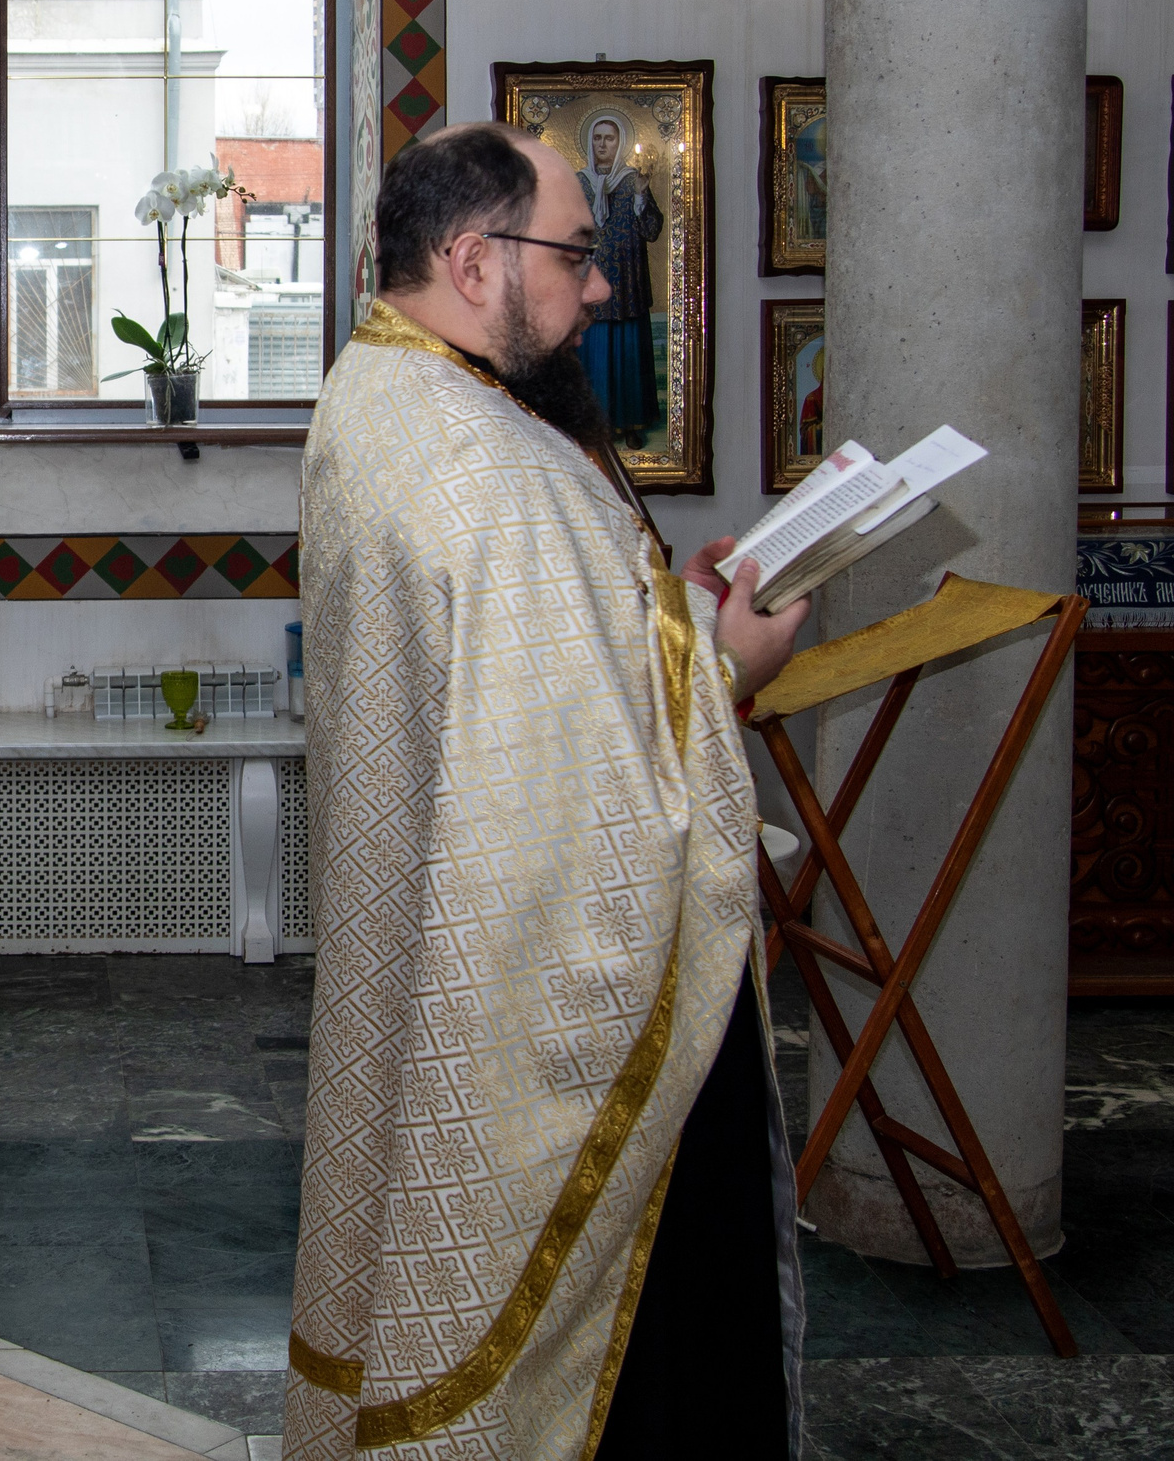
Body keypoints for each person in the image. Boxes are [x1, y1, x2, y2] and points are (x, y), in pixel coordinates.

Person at [288, 123, 808, 1460]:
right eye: (577, 255)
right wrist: (724, 669)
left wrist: (662, 624)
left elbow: (538, 696)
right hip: (541, 1000)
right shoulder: (491, 465)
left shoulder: (381, 394)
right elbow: (578, 800)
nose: (599, 291)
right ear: (472, 259)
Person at [575, 111, 664, 447]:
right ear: (589, 142)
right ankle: (595, 425)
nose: (602, 144)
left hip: (628, 284)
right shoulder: (578, 182)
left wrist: (642, 196)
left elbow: (652, 231)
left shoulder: (632, 180)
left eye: (609, 138)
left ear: (620, 143)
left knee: (628, 355)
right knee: (594, 355)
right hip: (591, 282)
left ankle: (631, 424)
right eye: (597, 138)